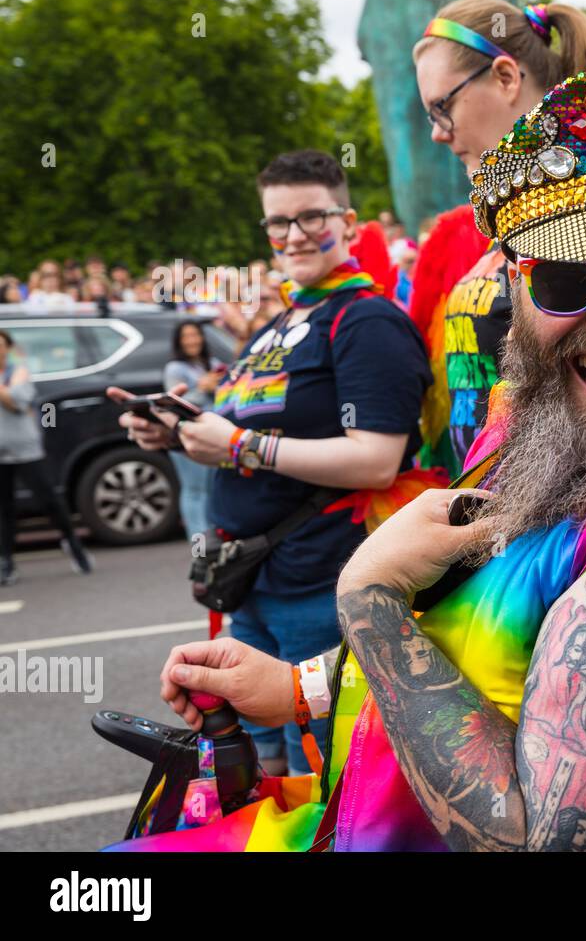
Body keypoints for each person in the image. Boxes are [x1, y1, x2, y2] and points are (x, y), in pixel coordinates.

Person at [156, 63, 586, 852]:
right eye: (562, 282)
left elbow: (544, 840)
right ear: (515, 292)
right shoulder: (542, 430)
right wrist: (299, 686)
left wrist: (370, 599)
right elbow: (486, 641)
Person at [114, 149, 432, 777]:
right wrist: (175, 435)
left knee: (323, 779)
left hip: (323, 583)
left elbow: (376, 461)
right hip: (253, 584)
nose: (293, 235)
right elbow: (251, 425)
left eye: (312, 217)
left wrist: (236, 447)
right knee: (247, 778)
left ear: (348, 220)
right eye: (277, 223)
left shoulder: (366, 319)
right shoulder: (282, 320)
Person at [412, 0, 586, 477]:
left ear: (506, 78)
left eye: (442, 107)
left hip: (562, 527)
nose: (437, 135)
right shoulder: (509, 215)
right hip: (491, 517)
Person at [0, 330, 94, 582]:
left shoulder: (17, 372)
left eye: (1, 346)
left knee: (49, 501)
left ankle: (73, 545)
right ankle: (6, 560)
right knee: (5, 509)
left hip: (25, 448)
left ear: (8, 349)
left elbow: (17, 401)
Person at [163, 321, 223, 537]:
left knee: (211, 489)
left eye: (195, 335)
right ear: (179, 341)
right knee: (194, 489)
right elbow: (174, 402)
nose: (192, 340)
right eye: (186, 336)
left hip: (213, 434)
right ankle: (199, 543)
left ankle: (212, 539)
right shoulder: (175, 368)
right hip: (188, 433)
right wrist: (201, 388)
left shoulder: (212, 363)